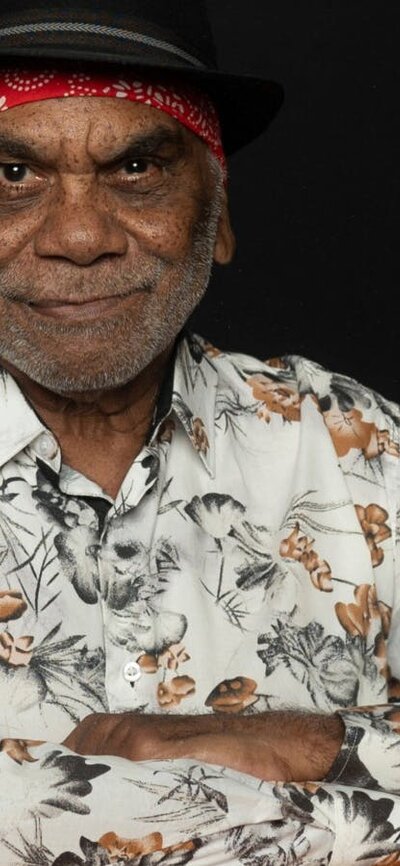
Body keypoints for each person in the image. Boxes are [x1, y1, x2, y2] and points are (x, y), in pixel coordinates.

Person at [0, 1, 399, 864]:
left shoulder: (356, 446)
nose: (78, 236)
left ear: (216, 217)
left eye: (137, 166)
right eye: (11, 174)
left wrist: (314, 743)